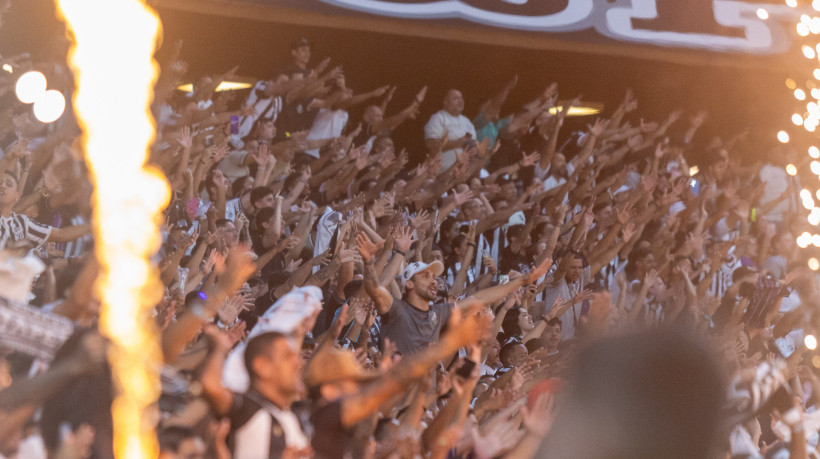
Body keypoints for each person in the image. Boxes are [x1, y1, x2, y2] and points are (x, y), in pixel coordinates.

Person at [424, 89, 477, 170]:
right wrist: (457, 143)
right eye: (456, 98)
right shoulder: (438, 118)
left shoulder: (467, 122)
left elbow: (474, 149)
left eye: (461, 98)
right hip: (439, 172)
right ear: (446, 102)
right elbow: (430, 145)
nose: (460, 101)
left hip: (461, 175)